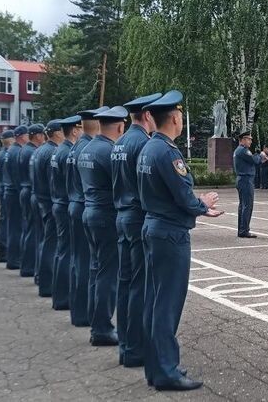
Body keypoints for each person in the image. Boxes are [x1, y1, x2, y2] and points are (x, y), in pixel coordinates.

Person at [137, 90, 224, 391]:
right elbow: (183, 197)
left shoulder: (149, 148)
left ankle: (155, 366)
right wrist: (203, 204)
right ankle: (165, 371)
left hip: (154, 227)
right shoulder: (167, 152)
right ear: (175, 118)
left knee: (154, 300)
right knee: (167, 304)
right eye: (180, 115)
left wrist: (196, 205)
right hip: (170, 234)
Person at [111, 92, 162, 367]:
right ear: (147, 115)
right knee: (140, 286)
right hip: (138, 217)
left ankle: (125, 342)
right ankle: (136, 348)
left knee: (125, 281)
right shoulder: (143, 143)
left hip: (121, 215)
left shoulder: (120, 142)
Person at [78, 106, 128, 346]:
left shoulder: (87, 148)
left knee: (96, 269)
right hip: (106, 216)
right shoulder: (110, 151)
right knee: (108, 273)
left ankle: (95, 320)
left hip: (90, 212)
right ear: (120, 126)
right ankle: (102, 328)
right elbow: (122, 186)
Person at [67, 106, 108, 327]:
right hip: (90, 208)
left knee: (83, 263)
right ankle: (86, 315)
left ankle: (81, 312)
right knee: (90, 265)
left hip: (80, 206)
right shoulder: (92, 148)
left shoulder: (79, 148)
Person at [50, 116, 80, 310]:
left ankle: (60, 297)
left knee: (62, 251)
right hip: (65, 204)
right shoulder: (68, 151)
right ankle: (63, 298)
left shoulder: (59, 151)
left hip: (59, 203)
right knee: (67, 253)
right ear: (75, 131)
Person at [31, 121, 61, 297]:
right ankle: (47, 283)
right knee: (50, 245)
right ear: (56, 133)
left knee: (45, 242)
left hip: (41, 200)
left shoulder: (41, 150)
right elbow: (53, 183)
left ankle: (41, 278)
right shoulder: (51, 152)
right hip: (49, 202)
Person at [18, 124, 45, 278]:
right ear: (38, 136)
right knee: (32, 231)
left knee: (29, 229)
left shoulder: (26, 150)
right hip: (30, 190)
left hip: (26, 190)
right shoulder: (32, 151)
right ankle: (29, 267)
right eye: (42, 135)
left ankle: (27, 265)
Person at [233, 131, 267, 238]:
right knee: (247, 205)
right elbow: (254, 160)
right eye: (248, 139)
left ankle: (242, 229)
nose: (250, 141)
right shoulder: (243, 150)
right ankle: (244, 230)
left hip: (243, 179)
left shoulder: (240, 150)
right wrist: (261, 155)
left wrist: (260, 159)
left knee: (243, 205)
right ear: (242, 140)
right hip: (245, 180)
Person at [3, 125, 28, 270]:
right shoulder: (17, 151)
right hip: (14, 193)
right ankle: (14, 259)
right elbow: (18, 177)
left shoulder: (11, 150)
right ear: (21, 136)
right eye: (26, 135)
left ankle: (12, 258)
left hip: (9, 191)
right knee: (17, 228)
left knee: (13, 227)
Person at [0, 130, 14, 263]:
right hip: (7, 190)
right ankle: (3, 250)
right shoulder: (8, 154)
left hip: (2, 190)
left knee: (3, 220)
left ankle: (1, 249)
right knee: (7, 221)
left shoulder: (2, 154)